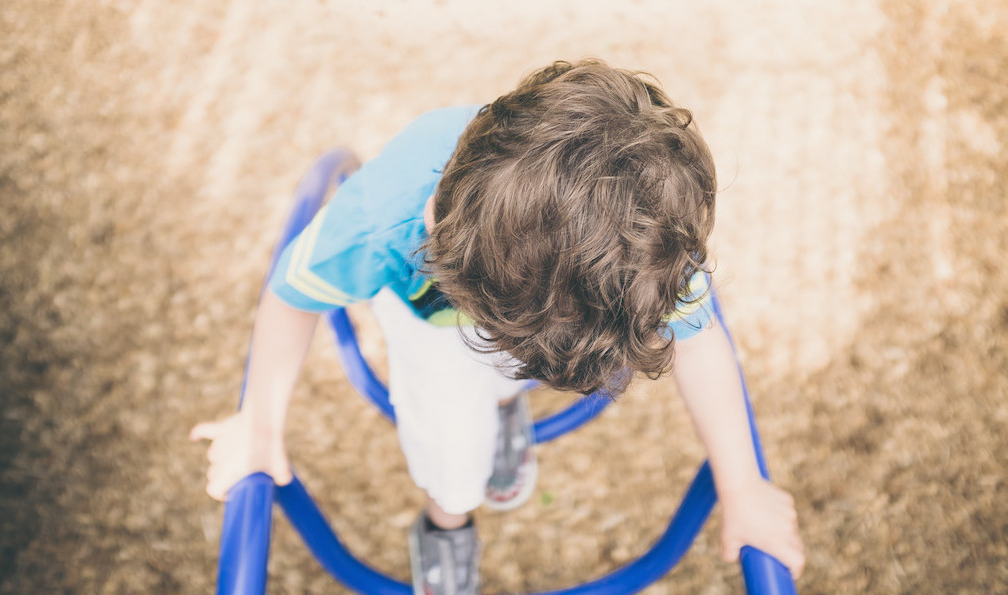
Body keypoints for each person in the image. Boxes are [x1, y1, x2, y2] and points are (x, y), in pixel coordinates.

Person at [191, 59, 805, 594]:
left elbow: (700, 344)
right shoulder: (387, 216)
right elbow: (293, 294)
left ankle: (507, 403)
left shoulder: (641, 249)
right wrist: (261, 422)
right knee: (452, 452)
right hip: (425, 320)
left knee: (506, 373)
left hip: (537, 315)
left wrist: (742, 483)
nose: (431, 216)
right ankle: (447, 521)